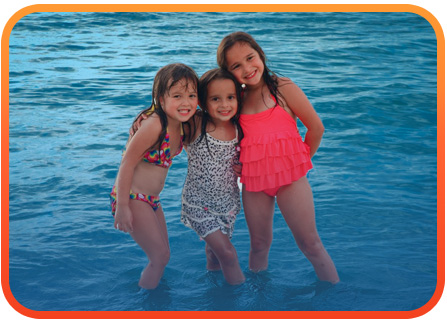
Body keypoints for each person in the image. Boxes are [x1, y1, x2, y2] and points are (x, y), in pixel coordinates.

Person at [216, 31, 339, 284]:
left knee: (310, 243)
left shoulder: (281, 88)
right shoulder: (235, 100)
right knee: (259, 246)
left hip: (291, 180)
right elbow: (208, 122)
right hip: (255, 184)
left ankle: (336, 295)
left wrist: (298, 160)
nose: (248, 68)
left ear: (260, 54)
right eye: (237, 66)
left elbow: (316, 128)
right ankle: (258, 301)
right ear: (229, 73)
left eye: (251, 58)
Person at [110, 63, 198, 289]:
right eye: (177, 96)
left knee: (164, 255)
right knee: (159, 258)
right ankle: (146, 304)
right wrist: (122, 206)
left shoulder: (181, 125)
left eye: (191, 95)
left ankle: (154, 295)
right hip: (131, 196)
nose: (186, 102)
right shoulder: (153, 125)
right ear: (160, 99)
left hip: (152, 200)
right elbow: (126, 163)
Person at [181, 68, 245, 285]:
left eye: (230, 98)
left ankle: (214, 290)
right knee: (228, 254)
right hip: (199, 204)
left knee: (214, 254)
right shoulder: (195, 124)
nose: (224, 105)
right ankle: (240, 304)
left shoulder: (240, 128)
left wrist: (245, 168)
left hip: (227, 204)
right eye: (215, 99)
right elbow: (166, 120)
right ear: (202, 102)